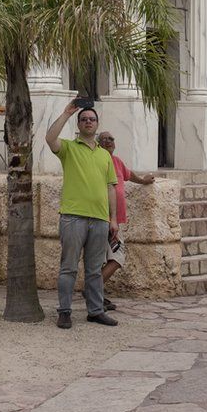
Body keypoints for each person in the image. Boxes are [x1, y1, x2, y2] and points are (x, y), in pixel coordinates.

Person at [45, 101, 119, 329]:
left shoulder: (105, 156)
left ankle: (95, 311)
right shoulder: (69, 148)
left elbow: (110, 187)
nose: (88, 122)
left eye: (92, 119)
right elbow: (50, 139)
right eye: (84, 119)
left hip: (99, 219)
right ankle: (64, 311)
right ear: (79, 124)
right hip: (73, 217)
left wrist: (113, 218)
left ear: (97, 125)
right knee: (68, 267)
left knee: (95, 269)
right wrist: (67, 113)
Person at [94, 131, 155, 311]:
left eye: (111, 139)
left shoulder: (117, 162)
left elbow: (129, 175)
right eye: (103, 139)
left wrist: (143, 181)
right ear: (98, 144)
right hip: (103, 219)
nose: (108, 142)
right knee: (116, 258)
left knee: (110, 259)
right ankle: (93, 291)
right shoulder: (97, 160)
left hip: (116, 221)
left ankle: (96, 292)